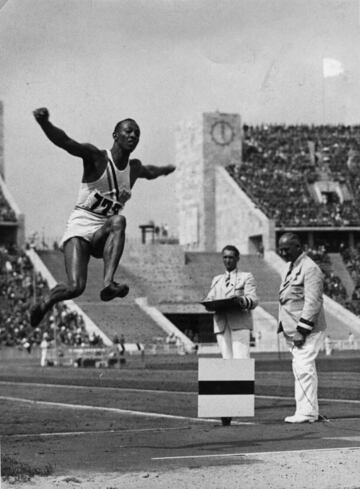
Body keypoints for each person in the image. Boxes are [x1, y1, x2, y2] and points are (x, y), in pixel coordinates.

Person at [30, 107, 175, 327]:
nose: (133, 136)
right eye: (128, 131)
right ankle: (46, 301)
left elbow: (151, 171)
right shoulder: (96, 157)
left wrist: (168, 168)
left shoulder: (133, 168)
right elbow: (66, 142)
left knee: (119, 221)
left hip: (102, 232)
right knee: (75, 287)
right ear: (115, 135)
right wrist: (45, 123)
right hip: (80, 227)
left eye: (137, 133)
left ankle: (109, 284)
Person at [203, 244, 258, 426]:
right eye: (225, 257)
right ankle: (226, 409)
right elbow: (209, 298)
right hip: (221, 324)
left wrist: (241, 300)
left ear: (237, 259)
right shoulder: (217, 280)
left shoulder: (245, 277)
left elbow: (253, 299)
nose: (228, 260)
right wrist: (208, 302)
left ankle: (235, 405)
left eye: (231, 258)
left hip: (239, 323)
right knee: (226, 364)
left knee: (241, 362)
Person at [278, 233, 327, 424]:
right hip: (293, 328)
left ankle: (307, 412)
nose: (282, 252)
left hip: (308, 329)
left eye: (286, 249)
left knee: (304, 368)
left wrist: (302, 330)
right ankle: (307, 410)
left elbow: (313, 302)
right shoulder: (290, 267)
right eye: (281, 249)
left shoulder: (310, 268)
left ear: (298, 247)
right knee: (301, 368)